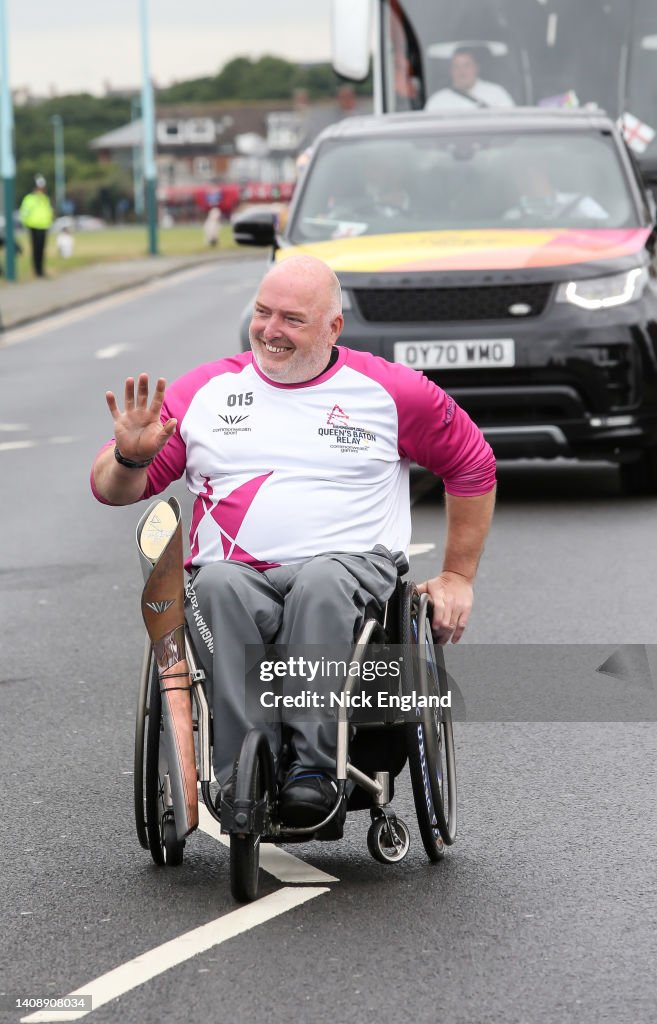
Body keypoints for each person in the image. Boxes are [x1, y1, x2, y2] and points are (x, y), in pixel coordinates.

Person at [91, 255, 496, 829]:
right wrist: (130, 455)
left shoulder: (388, 391)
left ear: (333, 328)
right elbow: (114, 490)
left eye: (291, 319)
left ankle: (312, 771)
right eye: (262, 313)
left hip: (350, 570)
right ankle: (238, 779)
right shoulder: (204, 392)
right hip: (233, 573)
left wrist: (458, 576)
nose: (270, 330)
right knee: (219, 587)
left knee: (320, 582)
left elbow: (473, 463)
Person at [503, 165, 609, 222]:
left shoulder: (582, 205)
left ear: (544, 173)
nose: (524, 181)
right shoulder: (513, 217)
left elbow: (609, 233)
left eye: (528, 173)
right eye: (518, 177)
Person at [425, 48, 514, 111]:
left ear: (476, 68)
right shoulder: (438, 101)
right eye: (456, 66)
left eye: (467, 65)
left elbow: (511, 124)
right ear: (451, 71)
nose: (462, 71)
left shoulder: (497, 94)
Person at [19, 174, 54, 278]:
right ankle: (37, 270)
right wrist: (25, 223)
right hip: (33, 226)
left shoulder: (45, 199)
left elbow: (48, 211)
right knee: (36, 249)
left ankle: (41, 270)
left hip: (44, 226)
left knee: (41, 249)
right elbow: (24, 212)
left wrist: (49, 221)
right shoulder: (29, 199)